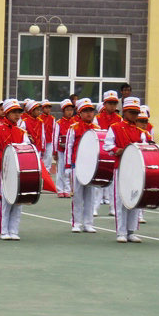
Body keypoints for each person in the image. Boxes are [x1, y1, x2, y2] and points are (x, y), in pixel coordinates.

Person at [103, 96, 150, 243]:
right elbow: (107, 145)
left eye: (136, 113)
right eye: (131, 112)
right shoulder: (115, 127)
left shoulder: (140, 131)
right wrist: (116, 150)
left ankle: (131, 231)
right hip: (121, 167)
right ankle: (121, 232)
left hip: (136, 170)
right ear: (125, 112)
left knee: (135, 198)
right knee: (121, 199)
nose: (134, 115)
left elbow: (145, 148)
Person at [0, 99, 30, 240]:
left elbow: (27, 150)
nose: (17, 115)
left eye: (19, 112)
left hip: (19, 170)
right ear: (7, 113)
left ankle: (14, 230)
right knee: (6, 201)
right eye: (14, 112)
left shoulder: (22, 132)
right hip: (4, 169)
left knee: (18, 200)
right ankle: (3, 230)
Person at [63, 99, 99, 234]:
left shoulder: (97, 128)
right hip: (76, 165)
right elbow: (69, 147)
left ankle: (88, 223)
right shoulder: (74, 128)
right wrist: (68, 166)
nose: (89, 113)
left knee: (90, 196)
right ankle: (76, 223)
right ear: (80, 113)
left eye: (91, 111)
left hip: (92, 167)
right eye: (86, 111)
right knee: (77, 196)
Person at [54, 99, 76, 197]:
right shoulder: (59, 122)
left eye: (71, 110)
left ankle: (67, 190)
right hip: (61, 149)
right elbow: (55, 137)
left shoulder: (75, 122)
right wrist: (55, 151)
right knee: (61, 170)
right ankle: (60, 189)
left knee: (69, 170)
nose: (70, 112)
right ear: (63, 111)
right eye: (67, 110)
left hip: (71, 150)